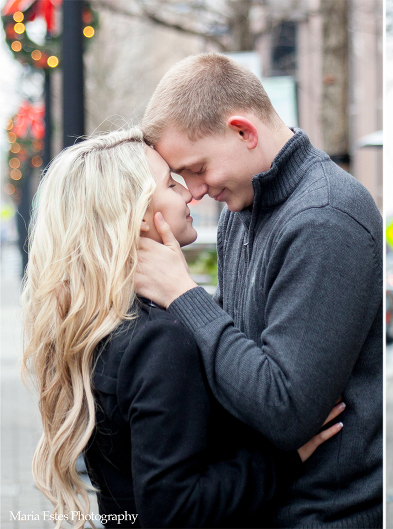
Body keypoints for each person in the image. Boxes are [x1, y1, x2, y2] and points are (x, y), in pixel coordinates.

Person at [21, 129, 344, 528]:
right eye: (172, 184)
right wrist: (282, 459)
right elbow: (173, 510)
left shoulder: (105, 324)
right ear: (140, 215)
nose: (191, 193)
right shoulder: (160, 340)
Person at [134, 53, 383, 527]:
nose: (195, 191)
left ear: (244, 131)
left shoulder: (326, 218)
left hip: (327, 513)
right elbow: (233, 361)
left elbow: (285, 411)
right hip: (267, 501)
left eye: (197, 167)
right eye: (180, 177)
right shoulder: (242, 210)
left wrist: (184, 295)